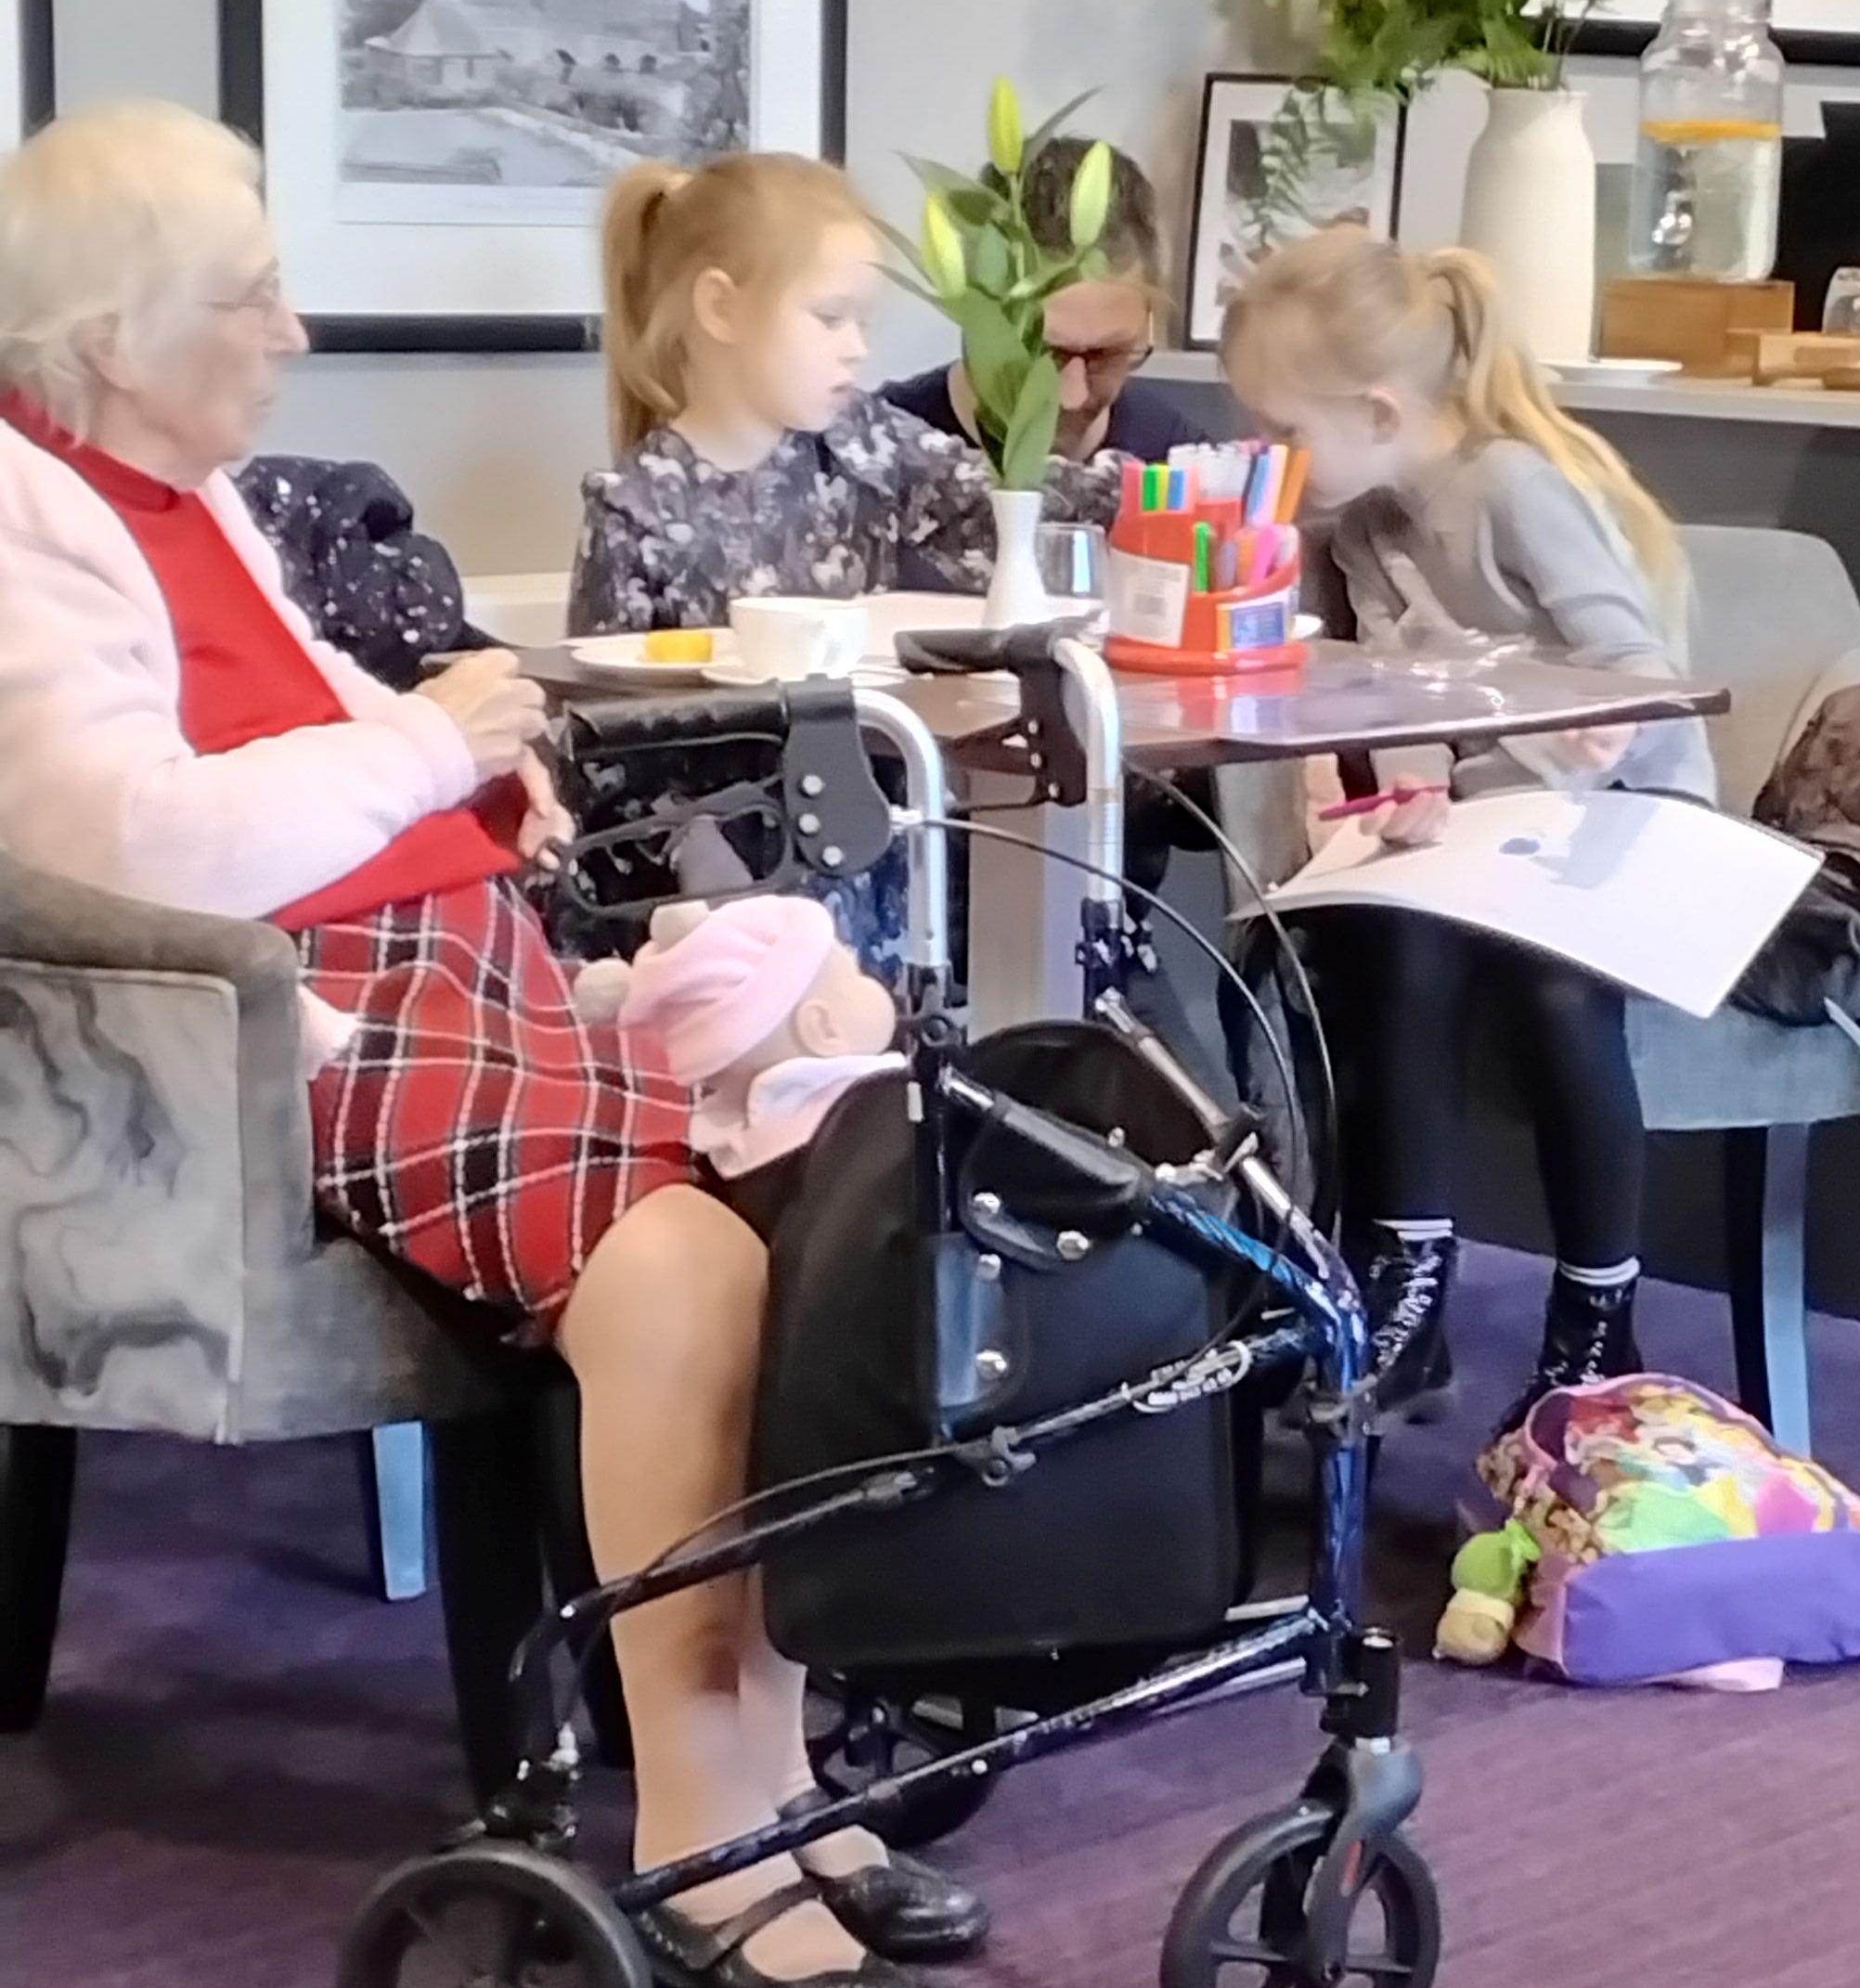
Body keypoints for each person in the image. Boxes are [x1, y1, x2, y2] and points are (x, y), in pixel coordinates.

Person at [0, 101, 982, 1988]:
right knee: (679, 1259)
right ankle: (704, 1848)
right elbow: (132, 844)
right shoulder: (22, 525)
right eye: (250, 297)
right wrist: (425, 752)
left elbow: (305, 726)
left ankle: (773, 1770)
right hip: (284, 1027)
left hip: (467, 973)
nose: (291, 332)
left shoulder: (182, 495)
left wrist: (465, 766)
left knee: (829, 1186)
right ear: (111, 338)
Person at [1221, 229, 1713, 1439]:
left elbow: (1633, 673)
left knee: (1556, 988)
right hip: (1492, 828)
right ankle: (1409, 1287)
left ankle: (1598, 1318)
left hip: (1619, 809)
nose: (1267, 458)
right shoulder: (1363, 523)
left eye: (1284, 431)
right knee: (1389, 936)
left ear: (1379, 412)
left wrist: (1545, 751)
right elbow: (1390, 701)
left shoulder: (1511, 491)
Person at [569, 151, 1127, 636]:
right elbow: (600, 713)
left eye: (863, 323)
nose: (857, 349)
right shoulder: (631, 513)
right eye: (831, 317)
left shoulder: (868, 445)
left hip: (879, 730)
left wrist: (1157, 492)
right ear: (722, 308)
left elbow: (1021, 502)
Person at [885, 139, 1210, 465]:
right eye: (1042, 355)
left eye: (1108, 355)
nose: (1073, 396)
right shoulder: (876, 455)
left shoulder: (1183, 467)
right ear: (976, 320)